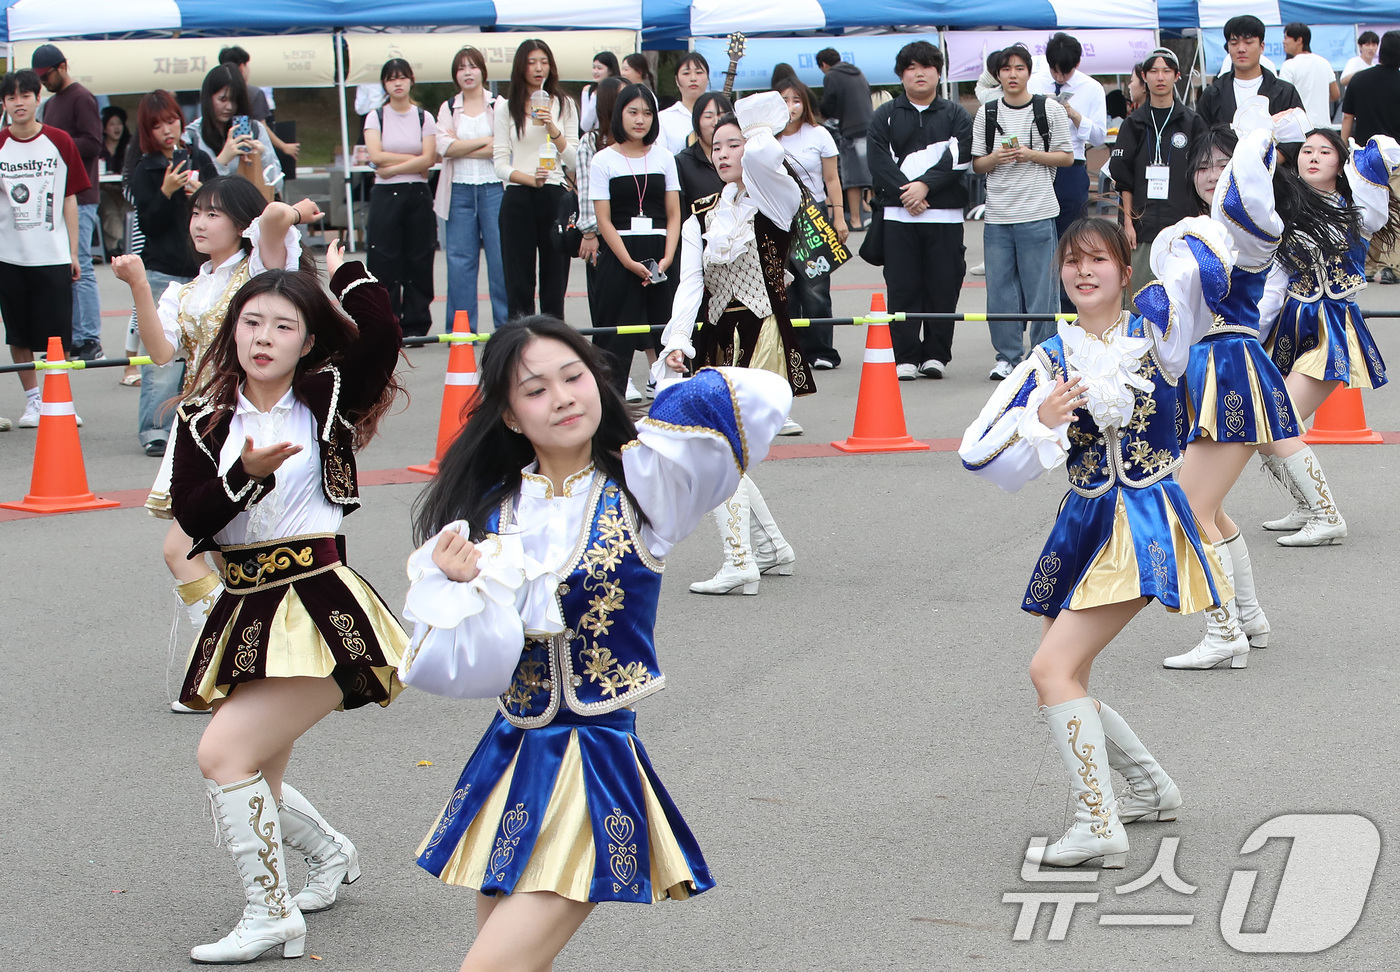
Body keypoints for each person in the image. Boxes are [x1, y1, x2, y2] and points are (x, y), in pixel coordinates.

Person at [404, 320, 791, 970]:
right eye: (535, 389)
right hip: (510, 758)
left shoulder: (645, 485)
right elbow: (455, 658)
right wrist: (456, 583)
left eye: (574, 376)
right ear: (508, 413)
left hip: (595, 762)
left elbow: (759, 397)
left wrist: (664, 403)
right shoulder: (491, 514)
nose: (561, 396)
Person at [959, 216, 1232, 869]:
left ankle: (1097, 820)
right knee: (1067, 673)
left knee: (1050, 670)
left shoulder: (1159, 334)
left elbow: (1215, 268)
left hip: (1142, 522)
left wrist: (1191, 230)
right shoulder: (1049, 357)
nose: (1084, 271)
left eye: (1099, 260)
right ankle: (1150, 787)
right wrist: (1038, 423)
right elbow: (976, 450)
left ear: (1124, 268)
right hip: (1081, 525)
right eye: (1073, 261)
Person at [167, 242, 407, 962]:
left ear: (307, 341)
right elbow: (193, 518)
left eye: (281, 326)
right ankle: (331, 854)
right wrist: (244, 474)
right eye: (251, 323)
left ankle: (270, 913)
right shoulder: (202, 417)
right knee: (258, 767)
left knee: (222, 754)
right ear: (231, 331)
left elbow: (383, 335)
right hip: (247, 605)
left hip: (317, 602)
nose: (263, 338)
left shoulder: (325, 395)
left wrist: (343, 270)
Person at [1167, 107, 1353, 671]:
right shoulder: (1200, 228)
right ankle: (1246, 618)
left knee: (1188, 511)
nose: (1210, 173)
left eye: (1221, 164)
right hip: (1206, 371)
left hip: (1230, 370)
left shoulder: (1250, 230)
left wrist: (1264, 132)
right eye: (1202, 164)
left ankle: (1225, 631)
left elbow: (1259, 305)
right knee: (1209, 509)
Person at [115, 177, 317, 692]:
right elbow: (162, 354)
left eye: (214, 214)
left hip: (249, 416)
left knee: (190, 547)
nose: (200, 223)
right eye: (196, 213)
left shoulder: (259, 271)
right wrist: (138, 283)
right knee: (218, 552)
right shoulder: (186, 289)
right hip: (202, 424)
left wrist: (291, 213)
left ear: (240, 223)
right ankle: (238, 659)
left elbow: (273, 221)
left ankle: (222, 660)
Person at [661, 92, 810, 593]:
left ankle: (741, 560)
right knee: (725, 450)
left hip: (764, 335)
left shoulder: (776, 197)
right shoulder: (701, 214)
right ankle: (770, 549)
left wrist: (756, 129)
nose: (723, 153)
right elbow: (690, 284)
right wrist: (677, 341)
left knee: (721, 451)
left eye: (734, 144)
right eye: (716, 147)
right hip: (719, 341)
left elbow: (767, 156)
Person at [1260, 132, 1400, 544]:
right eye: (1306, 151)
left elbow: (1387, 151)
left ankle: (1326, 513)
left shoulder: (1358, 210)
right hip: (1289, 330)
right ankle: (1307, 505)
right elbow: (1273, 284)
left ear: (1341, 163)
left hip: (1332, 331)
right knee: (1264, 423)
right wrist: (1249, 332)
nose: (1314, 157)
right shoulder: (1283, 211)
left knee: (1275, 420)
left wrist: (1365, 156)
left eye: (1325, 151)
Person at [867, 41, 971, 381]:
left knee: (943, 286)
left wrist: (925, 186)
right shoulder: (886, 115)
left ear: (938, 72)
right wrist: (907, 194)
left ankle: (937, 355)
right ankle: (906, 356)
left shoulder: (955, 113)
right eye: (911, 67)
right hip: (899, 218)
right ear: (901, 75)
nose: (919, 73)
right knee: (903, 286)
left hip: (945, 218)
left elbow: (961, 157)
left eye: (926, 66)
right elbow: (878, 161)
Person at [123, 90, 219, 454]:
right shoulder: (145, 168)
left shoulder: (198, 158)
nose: (167, 130)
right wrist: (165, 191)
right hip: (162, 271)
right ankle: (155, 430)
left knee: (207, 351)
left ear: (181, 120)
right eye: (157, 125)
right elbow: (147, 223)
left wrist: (200, 193)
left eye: (171, 121)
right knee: (160, 358)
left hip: (201, 270)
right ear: (147, 131)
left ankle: (204, 422)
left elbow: (220, 207)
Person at [972, 44, 1074, 379]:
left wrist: (1031, 154)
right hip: (998, 214)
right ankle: (1007, 356)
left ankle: (1042, 356)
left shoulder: (1049, 109)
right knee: (999, 290)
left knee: (1042, 291)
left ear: (1029, 72)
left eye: (1019, 68)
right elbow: (976, 164)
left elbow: (1066, 156)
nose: (1012, 75)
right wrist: (995, 160)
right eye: (1005, 69)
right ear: (997, 75)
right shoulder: (986, 112)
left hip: (1039, 210)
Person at [0, 69, 87, 430]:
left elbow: (70, 199)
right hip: (9, 254)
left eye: (25, 96)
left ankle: (58, 398)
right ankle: (33, 400)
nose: (19, 103)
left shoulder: (60, 141)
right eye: (11, 97)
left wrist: (73, 252)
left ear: (39, 98)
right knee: (18, 333)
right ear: (3, 104)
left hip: (52, 254)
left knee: (57, 333)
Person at [588, 83, 680, 394]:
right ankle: (608, 396)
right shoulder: (603, 160)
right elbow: (604, 219)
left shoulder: (665, 157)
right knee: (615, 331)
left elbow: (673, 214)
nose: (640, 120)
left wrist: (667, 258)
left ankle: (672, 394)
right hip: (620, 253)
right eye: (633, 112)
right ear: (619, 115)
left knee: (668, 328)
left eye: (647, 113)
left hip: (661, 252)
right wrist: (627, 261)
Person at [1109, 48, 1207, 304]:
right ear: (1144, 76)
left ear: (1177, 76)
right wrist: (1128, 224)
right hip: (1143, 227)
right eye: (1153, 71)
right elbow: (1124, 179)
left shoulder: (1192, 122)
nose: (1160, 77)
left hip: (1183, 226)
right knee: (1139, 299)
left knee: (1183, 300)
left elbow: (1205, 174)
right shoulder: (1134, 124)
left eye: (1166, 71)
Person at [494, 39, 579, 320]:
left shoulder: (564, 104)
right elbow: (500, 164)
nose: (538, 68)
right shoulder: (506, 108)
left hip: (555, 196)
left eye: (543, 61)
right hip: (518, 195)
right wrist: (529, 179)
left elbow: (575, 160)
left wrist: (552, 127)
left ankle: (554, 341)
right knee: (518, 281)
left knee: (555, 281)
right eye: (531, 62)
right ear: (521, 67)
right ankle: (519, 346)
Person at [32, 44, 104, 362]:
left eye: (46, 75)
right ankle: (73, 335)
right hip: (54, 196)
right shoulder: (50, 105)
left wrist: (55, 141)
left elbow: (93, 142)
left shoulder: (81, 97)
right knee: (65, 267)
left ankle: (90, 336)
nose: (44, 81)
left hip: (82, 195)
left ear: (62, 67)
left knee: (82, 265)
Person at [1029, 33, 1108, 313]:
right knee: (1037, 238)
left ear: (1077, 64)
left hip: (1072, 166)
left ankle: (1071, 307)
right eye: (1055, 70)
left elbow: (1100, 137)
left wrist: (1075, 115)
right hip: (1037, 165)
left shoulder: (1092, 88)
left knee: (1071, 237)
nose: (1060, 76)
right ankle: (1041, 308)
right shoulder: (1034, 82)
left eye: (1067, 70)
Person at [364, 58, 438, 337]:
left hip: (417, 192)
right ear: (384, 83)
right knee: (384, 259)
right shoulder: (376, 116)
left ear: (411, 80)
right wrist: (414, 159)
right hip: (385, 195)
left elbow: (429, 159)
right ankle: (387, 323)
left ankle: (417, 325)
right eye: (392, 78)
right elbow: (375, 155)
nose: (398, 83)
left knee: (419, 258)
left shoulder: (424, 117)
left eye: (403, 77)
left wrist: (391, 168)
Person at [776, 77, 846, 371]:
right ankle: (793, 351)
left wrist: (839, 217)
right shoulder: (766, 138)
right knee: (785, 288)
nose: (791, 107)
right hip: (777, 214)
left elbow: (831, 179)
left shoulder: (819, 135)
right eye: (784, 100)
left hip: (813, 213)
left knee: (815, 287)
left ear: (805, 103)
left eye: (796, 100)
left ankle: (822, 351)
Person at [435, 46, 507, 332]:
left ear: (482, 71)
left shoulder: (498, 104)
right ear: (455, 75)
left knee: (500, 260)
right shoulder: (448, 107)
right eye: (461, 67)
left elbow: (502, 146)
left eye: (472, 66)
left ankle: (506, 327)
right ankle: (462, 329)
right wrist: (484, 142)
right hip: (459, 191)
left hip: (494, 189)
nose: (467, 72)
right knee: (459, 262)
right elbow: (444, 147)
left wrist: (460, 147)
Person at [1341, 31, 1400, 285]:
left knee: (1366, 211)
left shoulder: (1360, 80)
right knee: (1394, 213)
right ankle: (1390, 266)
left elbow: (1347, 119)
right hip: (1396, 158)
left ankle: (1364, 264)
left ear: (1380, 51)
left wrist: (1343, 148)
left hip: (1364, 158)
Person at [185, 64, 283, 200]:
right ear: (208, 97)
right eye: (222, 99)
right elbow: (191, 187)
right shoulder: (192, 135)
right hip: (210, 214)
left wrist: (263, 155)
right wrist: (222, 160)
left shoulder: (254, 129)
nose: (229, 107)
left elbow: (277, 185)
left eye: (234, 100)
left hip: (248, 213)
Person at [1197, 16, 1304, 129]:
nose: (1241, 49)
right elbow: (1200, 136)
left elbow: (1297, 133)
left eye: (1248, 42)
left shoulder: (1285, 92)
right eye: (1234, 43)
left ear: (1262, 46)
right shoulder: (1213, 94)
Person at [817, 47, 873, 231]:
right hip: (868, 126)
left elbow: (829, 104)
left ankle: (855, 220)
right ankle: (870, 210)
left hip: (850, 129)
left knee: (852, 177)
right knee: (869, 174)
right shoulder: (857, 73)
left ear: (824, 65)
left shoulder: (832, 76)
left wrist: (822, 112)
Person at [218, 46, 300, 161]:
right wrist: (284, 146)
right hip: (249, 153)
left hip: (221, 153)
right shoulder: (253, 93)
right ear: (242, 66)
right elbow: (263, 127)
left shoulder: (215, 93)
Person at [674, 91, 731, 218]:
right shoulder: (682, 163)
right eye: (708, 116)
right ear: (696, 121)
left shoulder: (741, 158)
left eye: (722, 115)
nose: (716, 122)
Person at [1280, 23, 1341, 132]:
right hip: (1324, 128)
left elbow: (1283, 100)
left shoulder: (1289, 65)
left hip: (1299, 129)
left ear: (1299, 40)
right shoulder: (1324, 62)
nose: (1283, 42)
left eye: (1286, 37)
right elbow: (1336, 94)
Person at [657, 53, 710, 155]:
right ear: (676, 80)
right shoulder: (663, 119)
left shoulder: (723, 114)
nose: (693, 78)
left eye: (699, 72)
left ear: (708, 78)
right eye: (686, 73)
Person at [98, 105, 132, 259]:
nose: (117, 128)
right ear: (104, 128)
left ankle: (127, 245)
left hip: (122, 189)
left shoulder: (129, 147)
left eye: (119, 123)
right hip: (103, 189)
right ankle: (117, 245)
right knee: (109, 209)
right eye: (112, 124)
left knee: (127, 209)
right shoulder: (98, 148)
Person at [580, 52, 620, 133]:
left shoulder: (619, 89)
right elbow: (585, 126)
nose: (595, 71)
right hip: (595, 139)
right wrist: (594, 98)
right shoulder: (588, 90)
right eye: (594, 67)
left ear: (610, 71)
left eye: (599, 68)